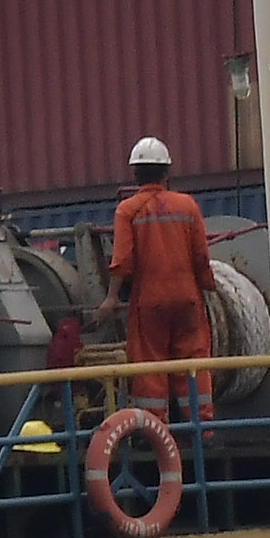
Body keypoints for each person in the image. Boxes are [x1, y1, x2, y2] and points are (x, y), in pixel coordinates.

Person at [107, 136, 216, 441]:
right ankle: (203, 431)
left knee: (150, 364)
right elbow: (201, 257)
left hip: (150, 302)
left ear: (135, 174)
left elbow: (123, 262)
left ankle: (156, 432)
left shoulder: (128, 210)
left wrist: (111, 298)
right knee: (194, 360)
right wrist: (208, 287)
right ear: (167, 172)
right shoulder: (188, 206)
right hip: (188, 300)